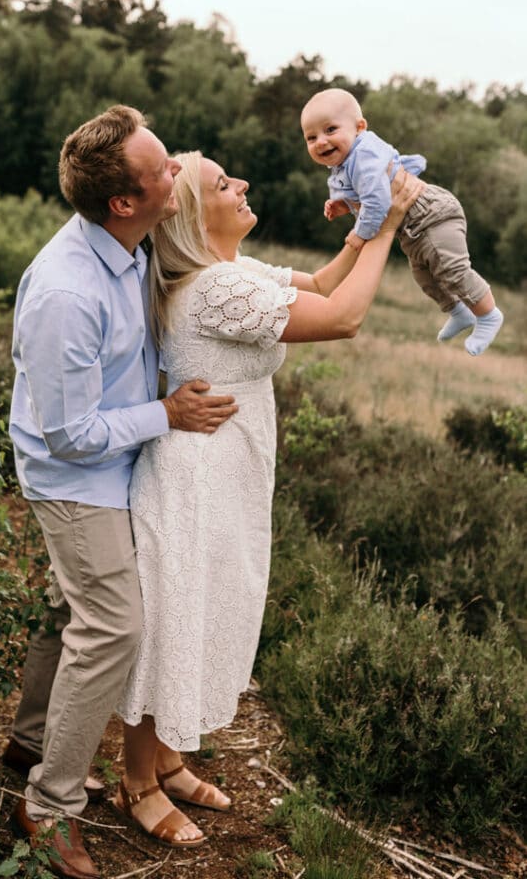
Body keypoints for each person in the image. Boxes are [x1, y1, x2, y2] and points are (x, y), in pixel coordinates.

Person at [112, 150, 423, 847]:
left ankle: (167, 758)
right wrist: (388, 227)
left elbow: (316, 282)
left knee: (208, 605)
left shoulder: (231, 273)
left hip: (225, 470)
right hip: (192, 478)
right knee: (176, 618)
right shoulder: (214, 289)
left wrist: (359, 227)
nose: (243, 183)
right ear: (194, 214)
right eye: (224, 183)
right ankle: (135, 781)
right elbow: (341, 317)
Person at [7, 105, 238, 879]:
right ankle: (48, 806)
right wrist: (166, 414)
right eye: (164, 168)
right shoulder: (65, 294)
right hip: (76, 478)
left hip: (120, 459)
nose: (179, 171)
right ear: (124, 202)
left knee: (65, 605)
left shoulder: (132, 246)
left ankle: (32, 741)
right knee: (111, 625)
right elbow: (68, 435)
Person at [300, 87, 503, 356]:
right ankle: (459, 311)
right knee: (425, 277)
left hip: (432, 215)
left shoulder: (363, 155)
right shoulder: (345, 163)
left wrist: (359, 234)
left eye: (330, 130)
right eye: (311, 137)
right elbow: (367, 196)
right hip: (412, 229)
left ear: (359, 128)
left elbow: (378, 201)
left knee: (452, 269)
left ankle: (488, 315)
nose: (321, 141)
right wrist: (344, 205)